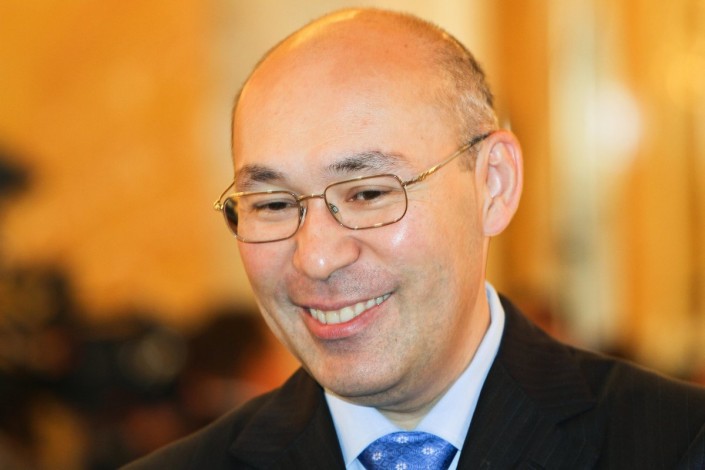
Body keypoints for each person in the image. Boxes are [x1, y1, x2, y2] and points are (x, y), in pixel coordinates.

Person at [124, 8, 705, 469]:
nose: (317, 257)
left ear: (493, 185)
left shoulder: (676, 443)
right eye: (274, 204)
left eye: (367, 194)